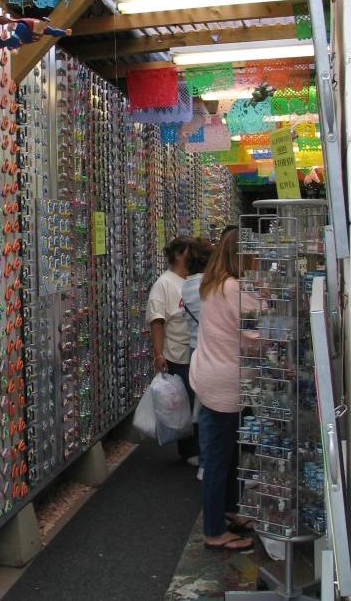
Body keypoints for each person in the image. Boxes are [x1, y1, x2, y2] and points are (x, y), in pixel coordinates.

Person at [189, 229, 259, 551]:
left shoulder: (211, 285)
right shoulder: (233, 287)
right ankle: (215, 530)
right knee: (218, 460)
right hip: (226, 383)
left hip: (210, 376)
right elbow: (255, 332)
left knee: (225, 454)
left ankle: (229, 509)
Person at [146, 236, 198, 464]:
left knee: (196, 401)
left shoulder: (193, 280)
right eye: (190, 250)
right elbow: (157, 321)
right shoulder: (164, 284)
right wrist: (159, 354)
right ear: (178, 254)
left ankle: (197, 447)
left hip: (196, 351)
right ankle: (189, 450)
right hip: (177, 353)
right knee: (184, 402)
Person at [181, 236, 215, 480]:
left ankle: (204, 461)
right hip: (213, 349)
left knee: (202, 408)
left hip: (194, 350)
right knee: (216, 410)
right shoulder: (211, 284)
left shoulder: (186, 285)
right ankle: (211, 461)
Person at [0, 15, 72, 55]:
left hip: (22, 42)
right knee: (4, 43)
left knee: (3, 44)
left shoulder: (44, 29)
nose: (46, 26)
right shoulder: (25, 25)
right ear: (41, 21)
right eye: (45, 23)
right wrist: (15, 47)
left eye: (47, 24)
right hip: (17, 41)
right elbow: (16, 36)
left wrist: (64, 32)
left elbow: (54, 32)